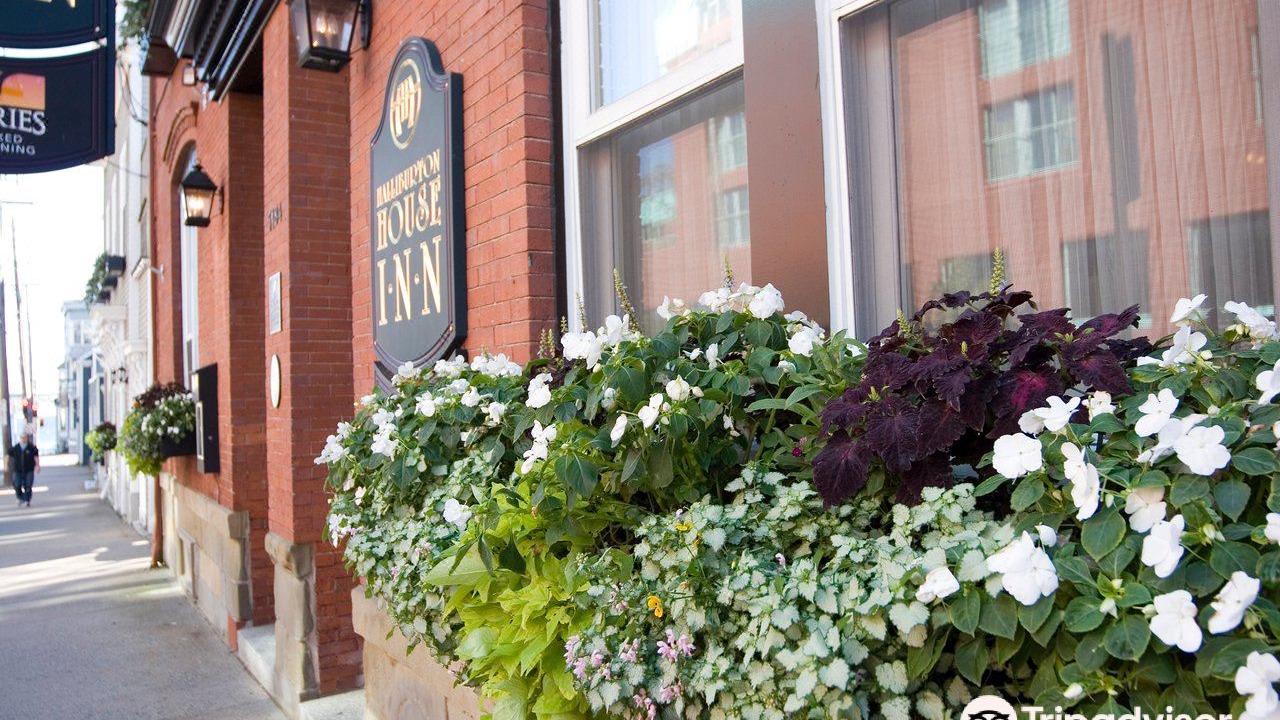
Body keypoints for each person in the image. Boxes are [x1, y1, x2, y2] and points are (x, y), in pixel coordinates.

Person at [8, 431, 39, 507]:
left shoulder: (31, 447)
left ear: (27, 438)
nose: (23, 439)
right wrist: (6, 465)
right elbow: (8, 455)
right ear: (20, 438)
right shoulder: (16, 448)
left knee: (28, 485)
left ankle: (27, 500)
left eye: (24, 437)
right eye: (21, 438)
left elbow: (36, 457)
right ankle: (20, 498)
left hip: (29, 470)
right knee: (17, 485)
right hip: (17, 470)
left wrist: (37, 465)